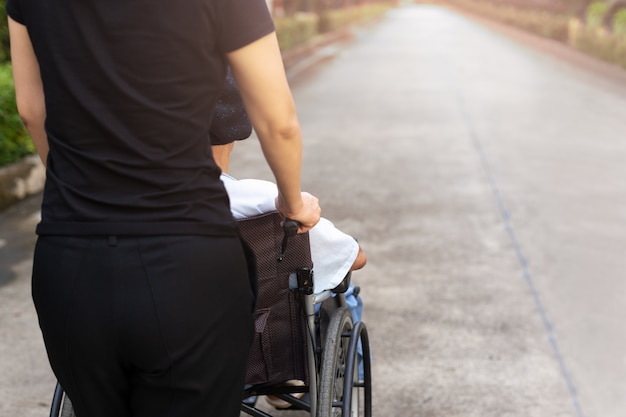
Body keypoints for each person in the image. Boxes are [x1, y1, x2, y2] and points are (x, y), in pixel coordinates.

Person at [7, 2, 320, 417]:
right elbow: (278, 122)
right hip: (188, 260)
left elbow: (31, 110)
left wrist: (79, 191)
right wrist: (291, 202)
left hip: (70, 261)